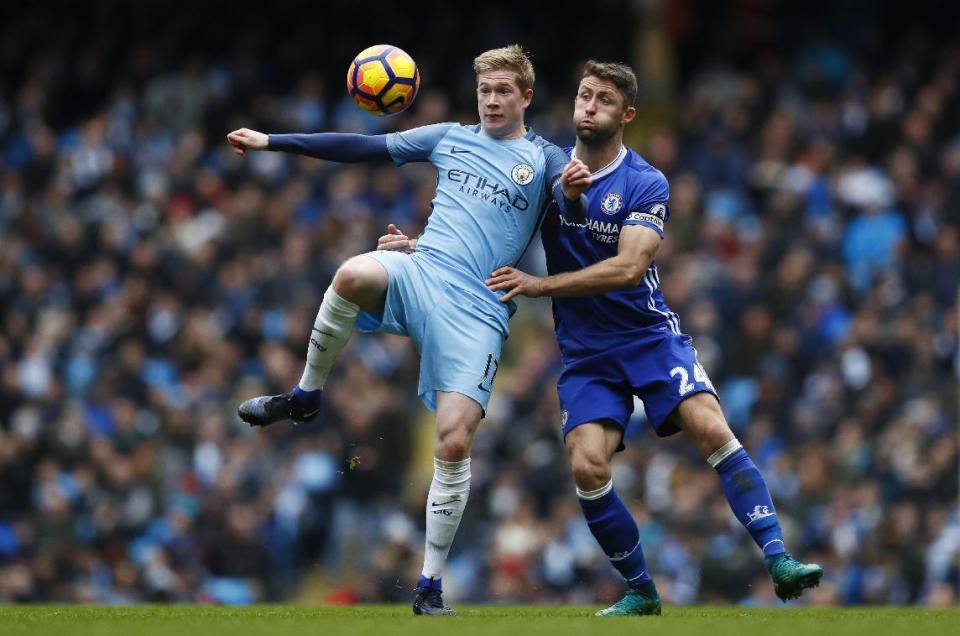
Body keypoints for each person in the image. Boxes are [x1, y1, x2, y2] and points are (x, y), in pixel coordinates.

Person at [381, 60, 823, 615]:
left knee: (710, 426)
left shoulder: (645, 181)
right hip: (586, 352)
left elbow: (628, 269)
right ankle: (641, 589)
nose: (590, 107)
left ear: (626, 114)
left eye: (604, 101)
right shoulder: (544, 172)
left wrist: (541, 285)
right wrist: (418, 249)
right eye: (584, 96)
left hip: (647, 335)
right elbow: (483, 230)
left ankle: (779, 559)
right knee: (587, 464)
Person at [226, 45, 590, 616]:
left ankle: (429, 587)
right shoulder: (449, 136)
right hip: (422, 271)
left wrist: (571, 198)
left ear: (526, 97)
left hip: (478, 310)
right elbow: (362, 148)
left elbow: (574, 223)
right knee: (350, 273)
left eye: (502, 92)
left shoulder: (546, 161)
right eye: (484, 91)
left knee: (453, 440)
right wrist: (273, 141)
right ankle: (304, 396)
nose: (492, 101)